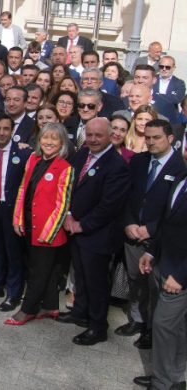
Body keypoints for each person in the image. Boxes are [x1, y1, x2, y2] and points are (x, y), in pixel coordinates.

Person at [57, 117, 131, 345]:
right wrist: (69, 216)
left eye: (99, 135)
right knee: (81, 275)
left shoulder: (116, 166)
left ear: (110, 136)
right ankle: (80, 312)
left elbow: (109, 206)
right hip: (76, 229)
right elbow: (69, 186)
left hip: (98, 235)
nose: (93, 139)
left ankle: (98, 327)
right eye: (89, 135)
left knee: (97, 283)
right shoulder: (82, 154)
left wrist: (82, 224)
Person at [119, 120, 186, 348]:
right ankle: (138, 320)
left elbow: (174, 209)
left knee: (155, 288)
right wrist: (129, 222)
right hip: (133, 233)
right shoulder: (139, 161)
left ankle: (151, 329)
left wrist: (151, 228)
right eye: (147, 137)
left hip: (159, 238)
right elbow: (128, 195)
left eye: (156, 137)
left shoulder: (180, 168)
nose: (150, 142)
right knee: (135, 281)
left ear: (170, 139)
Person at [5, 122, 74, 325]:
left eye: (54, 138)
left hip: (48, 230)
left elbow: (63, 204)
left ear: (62, 142)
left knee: (38, 272)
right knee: (49, 270)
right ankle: (50, 305)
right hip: (28, 223)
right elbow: (22, 190)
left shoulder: (65, 168)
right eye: (45, 137)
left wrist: (49, 232)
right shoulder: (33, 159)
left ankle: (28, 309)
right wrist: (17, 218)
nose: (49, 142)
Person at [137, 173, 187, 390]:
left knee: (163, 324)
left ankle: (162, 383)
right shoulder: (180, 177)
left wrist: (181, 275)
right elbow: (166, 221)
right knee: (176, 327)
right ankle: (173, 378)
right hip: (164, 261)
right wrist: (151, 252)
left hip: (179, 273)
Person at [0, 115, 33, 312]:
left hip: (12, 208)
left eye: (6, 129)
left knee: (13, 252)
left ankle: (14, 293)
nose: (2, 133)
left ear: (12, 131)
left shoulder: (23, 153)